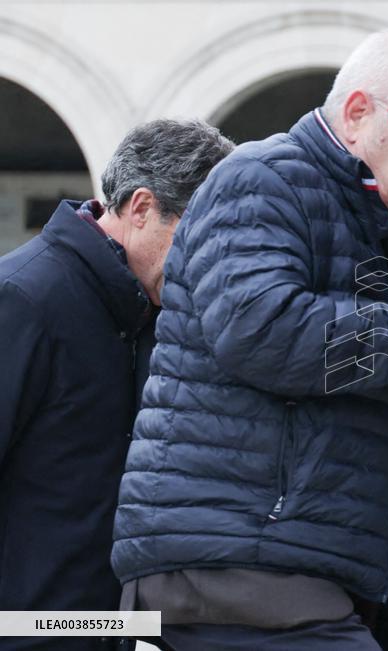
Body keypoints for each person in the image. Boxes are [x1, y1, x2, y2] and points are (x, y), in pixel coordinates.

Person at [111, 29, 388, 651]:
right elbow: (264, 332)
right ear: (360, 111)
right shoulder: (262, 178)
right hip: (236, 568)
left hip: (292, 570)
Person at [0, 119, 233, 651]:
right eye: (199, 241)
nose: (210, 266)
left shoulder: (159, 315)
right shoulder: (22, 300)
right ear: (143, 208)